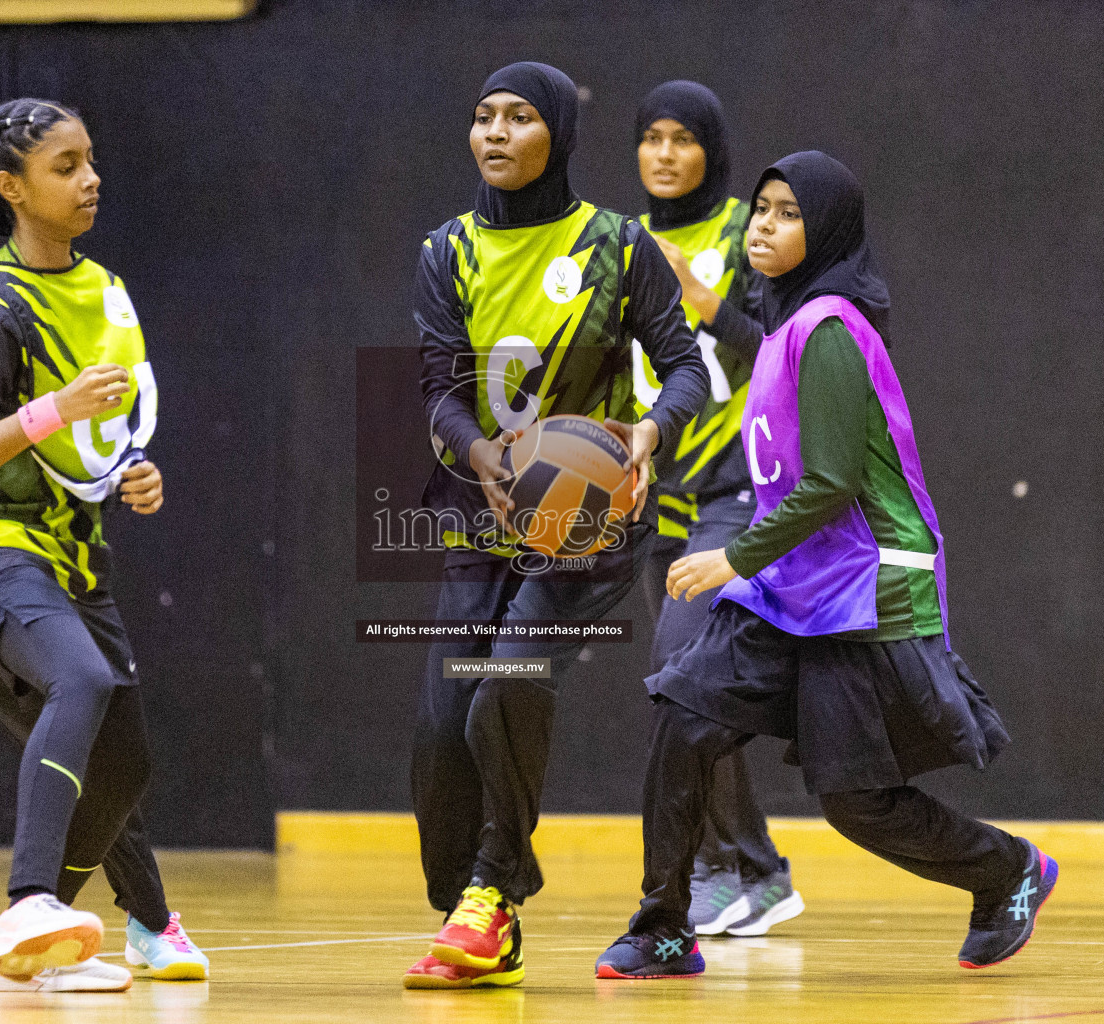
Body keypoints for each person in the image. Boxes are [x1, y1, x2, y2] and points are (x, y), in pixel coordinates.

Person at [594, 151, 1055, 979]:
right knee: (683, 713)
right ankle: (664, 925)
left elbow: (835, 485)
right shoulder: (778, 330)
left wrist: (729, 559)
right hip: (795, 589)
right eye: (760, 210)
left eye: (786, 213)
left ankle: (1007, 870)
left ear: (828, 231)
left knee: (855, 803)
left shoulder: (830, 327)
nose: (763, 226)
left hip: (864, 593)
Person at [406, 61, 708, 989]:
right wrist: (485, 456)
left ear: (559, 138)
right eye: (482, 116)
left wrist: (649, 431)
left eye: (520, 116)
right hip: (484, 516)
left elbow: (685, 364)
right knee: (440, 731)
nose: (496, 133)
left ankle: (493, 897)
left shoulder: (619, 244)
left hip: (591, 524)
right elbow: (438, 390)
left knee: (508, 683)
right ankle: (479, 897)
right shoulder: (446, 251)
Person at [0, 99, 205, 992]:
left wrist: (134, 474)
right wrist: (52, 410)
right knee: (77, 681)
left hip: (72, 553)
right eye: (65, 166)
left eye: (91, 161)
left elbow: (100, 442)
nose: (90, 180)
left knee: (124, 767)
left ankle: (42, 942)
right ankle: (29, 898)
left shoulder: (106, 288)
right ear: (11, 188)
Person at [632, 79, 800, 938]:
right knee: (681, 690)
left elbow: (791, 348)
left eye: (682, 138)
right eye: (651, 137)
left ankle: (726, 872)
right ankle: (754, 872)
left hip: (737, 490)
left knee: (686, 682)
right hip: (656, 504)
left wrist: (709, 307)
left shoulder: (747, 230)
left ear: (711, 150)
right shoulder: (619, 244)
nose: (665, 153)